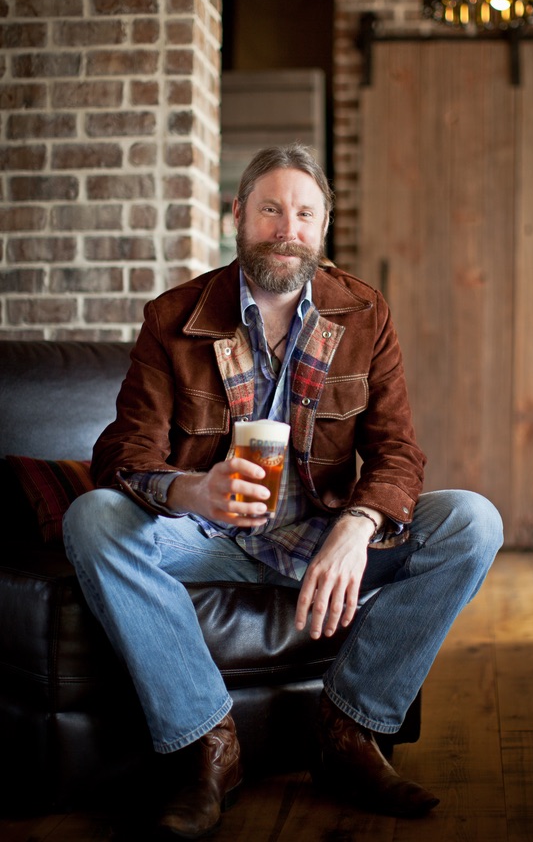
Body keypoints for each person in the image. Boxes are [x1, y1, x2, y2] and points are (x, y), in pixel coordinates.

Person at [63, 143, 503, 839]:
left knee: (472, 522)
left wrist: (357, 526)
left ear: (321, 226)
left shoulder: (364, 313)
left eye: (303, 213)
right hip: (203, 535)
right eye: (270, 209)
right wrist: (193, 491)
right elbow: (124, 452)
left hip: (318, 529)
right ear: (239, 215)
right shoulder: (173, 317)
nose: (285, 228)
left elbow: (396, 452)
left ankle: (348, 732)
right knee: (92, 518)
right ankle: (209, 746)